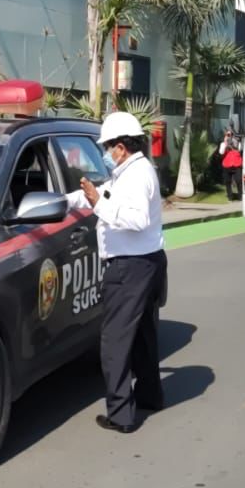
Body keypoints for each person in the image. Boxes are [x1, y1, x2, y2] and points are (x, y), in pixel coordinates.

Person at [68, 112, 165, 434]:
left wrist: (98, 204)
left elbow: (136, 220)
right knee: (143, 336)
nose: (106, 154)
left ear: (121, 147)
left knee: (115, 342)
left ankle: (121, 415)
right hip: (147, 263)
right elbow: (103, 191)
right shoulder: (131, 172)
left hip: (129, 267)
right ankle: (150, 395)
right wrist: (63, 202)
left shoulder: (137, 176)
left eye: (108, 148)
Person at [219, 126, 243, 200]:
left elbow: (240, 150)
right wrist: (226, 143)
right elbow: (221, 152)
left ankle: (240, 196)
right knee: (227, 181)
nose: (230, 136)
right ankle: (230, 196)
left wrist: (235, 143)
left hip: (237, 164)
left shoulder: (237, 143)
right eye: (228, 135)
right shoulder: (223, 144)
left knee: (239, 181)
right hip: (227, 165)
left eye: (231, 135)